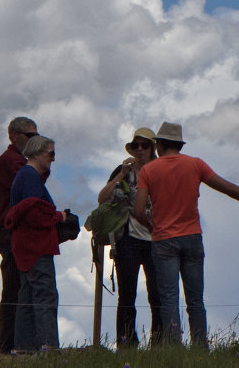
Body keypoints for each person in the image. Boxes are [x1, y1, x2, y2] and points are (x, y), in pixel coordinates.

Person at [133, 122, 239, 349]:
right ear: (179, 145)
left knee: (169, 299)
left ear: (160, 144)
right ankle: (200, 348)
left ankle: (174, 348)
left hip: (163, 240)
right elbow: (229, 188)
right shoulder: (195, 165)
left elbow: (137, 211)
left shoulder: (148, 170)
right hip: (192, 237)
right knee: (195, 299)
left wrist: (153, 227)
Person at [96, 127, 163, 348]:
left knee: (158, 295)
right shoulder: (125, 171)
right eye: (136, 145)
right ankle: (126, 345)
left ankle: (160, 343)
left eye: (145, 145)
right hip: (129, 239)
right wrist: (122, 174)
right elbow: (102, 199)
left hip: (156, 239)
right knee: (127, 295)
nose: (140, 150)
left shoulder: (162, 170)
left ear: (154, 148)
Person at [6, 134, 71, 352]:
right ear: (36, 153)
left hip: (24, 246)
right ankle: (48, 345)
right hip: (36, 246)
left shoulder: (26, 176)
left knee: (27, 296)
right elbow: (34, 214)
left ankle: (24, 348)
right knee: (45, 295)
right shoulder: (30, 178)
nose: (53, 158)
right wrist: (58, 217)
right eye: (51, 153)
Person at [0, 116, 38, 354]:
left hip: (13, 230)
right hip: (11, 231)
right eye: (31, 136)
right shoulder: (13, 160)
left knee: (18, 286)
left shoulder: (15, 160)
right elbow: (32, 182)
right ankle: (8, 343)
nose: (34, 140)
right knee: (14, 287)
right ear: (15, 136)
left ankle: (14, 342)